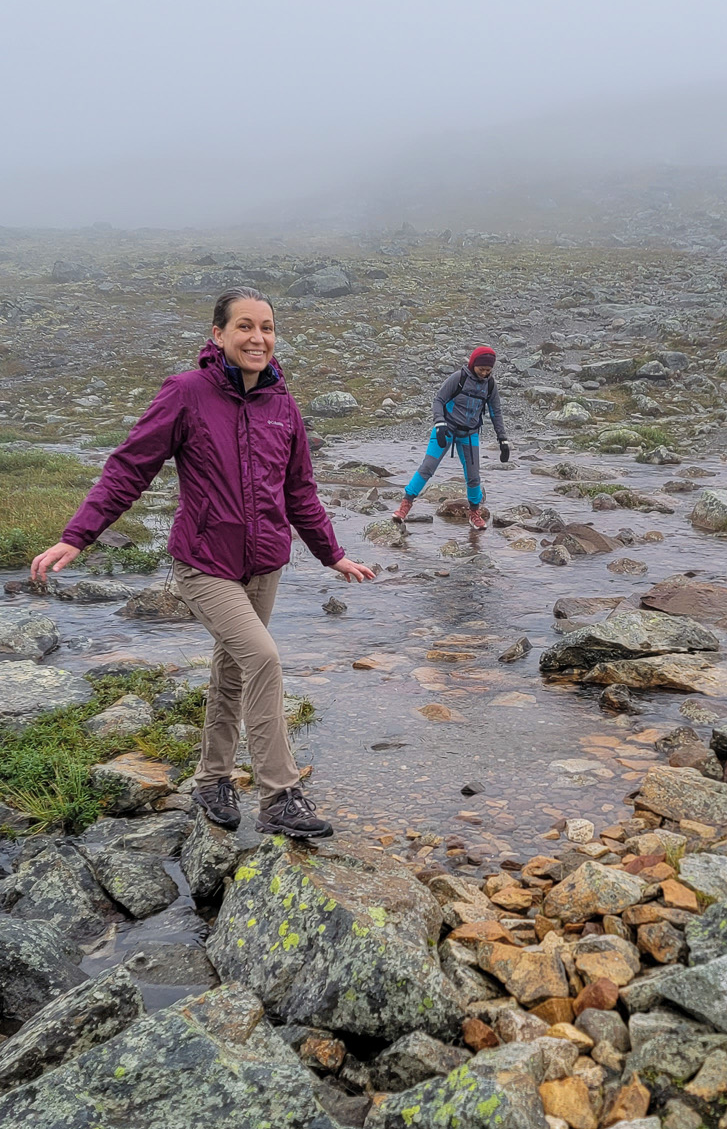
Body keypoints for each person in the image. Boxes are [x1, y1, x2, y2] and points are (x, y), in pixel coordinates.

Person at [30, 289, 375, 840]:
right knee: (262, 657)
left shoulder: (283, 405)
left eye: (267, 327)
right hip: (204, 563)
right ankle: (280, 795)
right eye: (245, 326)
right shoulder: (186, 393)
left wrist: (331, 553)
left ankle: (212, 778)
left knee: (234, 667)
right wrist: (79, 535)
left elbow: (300, 489)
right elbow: (129, 468)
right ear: (218, 335)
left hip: (265, 563)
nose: (258, 338)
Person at [394, 346, 510, 530]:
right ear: (473, 365)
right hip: (446, 429)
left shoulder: (490, 385)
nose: (484, 373)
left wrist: (502, 439)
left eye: (488, 370)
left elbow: (496, 412)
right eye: (482, 369)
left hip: (470, 433)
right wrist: (439, 423)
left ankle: (474, 513)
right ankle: (405, 505)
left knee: (473, 478)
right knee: (427, 468)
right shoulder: (458, 378)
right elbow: (439, 400)